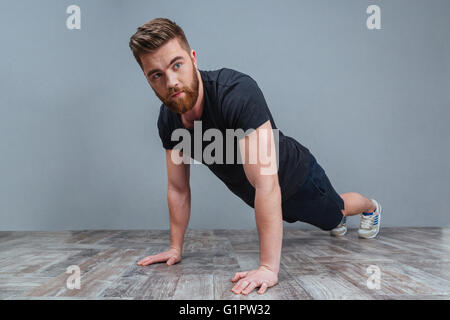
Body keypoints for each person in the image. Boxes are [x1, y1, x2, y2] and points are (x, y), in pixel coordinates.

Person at [128, 17, 382, 296]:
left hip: (298, 181)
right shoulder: (169, 120)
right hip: (264, 199)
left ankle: (371, 207)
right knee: (321, 217)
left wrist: (267, 268)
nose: (171, 82)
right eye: (157, 75)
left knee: (336, 214)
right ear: (147, 79)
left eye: (177, 65)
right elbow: (178, 189)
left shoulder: (236, 92)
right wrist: (175, 248)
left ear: (193, 58)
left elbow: (266, 184)